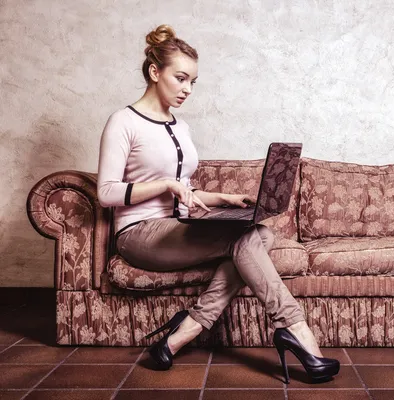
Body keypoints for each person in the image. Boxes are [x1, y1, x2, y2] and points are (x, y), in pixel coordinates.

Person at [96, 24, 339, 383]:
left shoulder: (180, 127)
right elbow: (106, 192)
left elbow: (184, 191)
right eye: (180, 78)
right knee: (245, 240)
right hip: (139, 235)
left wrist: (221, 198)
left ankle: (186, 329)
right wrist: (164, 184)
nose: (187, 89)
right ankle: (296, 329)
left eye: (193, 82)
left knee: (260, 235)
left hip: (178, 227)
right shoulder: (123, 122)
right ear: (154, 72)